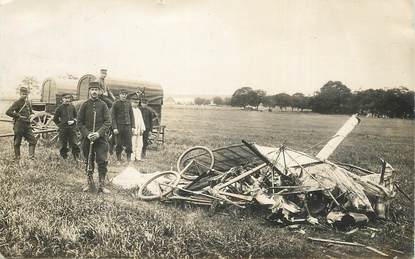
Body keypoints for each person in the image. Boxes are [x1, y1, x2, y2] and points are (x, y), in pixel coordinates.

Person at [77, 81, 112, 193]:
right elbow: (79, 122)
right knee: (88, 160)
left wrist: (98, 134)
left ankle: (102, 185)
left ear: (100, 91)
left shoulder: (103, 105)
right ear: (89, 91)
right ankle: (89, 183)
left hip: (100, 139)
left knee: (102, 160)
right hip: (87, 139)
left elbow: (108, 122)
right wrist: (87, 134)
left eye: (96, 90)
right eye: (92, 90)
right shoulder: (84, 105)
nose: (94, 92)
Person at [6, 86, 37, 161]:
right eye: (23, 94)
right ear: (20, 94)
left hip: (27, 125)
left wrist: (32, 114)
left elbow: (31, 112)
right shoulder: (17, 102)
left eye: (26, 94)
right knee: (17, 142)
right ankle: (17, 158)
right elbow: (8, 112)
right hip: (19, 125)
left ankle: (31, 158)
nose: (25, 95)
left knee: (33, 140)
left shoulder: (28, 102)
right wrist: (18, 116)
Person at [52, 93, 80, 160]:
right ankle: (64, 157)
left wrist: (73, 121)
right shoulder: (59, 108)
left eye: (68, 98)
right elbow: (55, 119)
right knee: (63, 145)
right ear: (62, 99)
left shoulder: (72, 107)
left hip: (72, 129)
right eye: (65, 98)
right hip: (63, 129)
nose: (67, 100)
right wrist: (60, 125)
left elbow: (76, 116)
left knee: (74, 143)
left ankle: (76, 157)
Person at [111, 89, 135, 163]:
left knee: (129, 143)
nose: (124, 95)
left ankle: (128, 160)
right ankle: (118, 159)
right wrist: (114, 127)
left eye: (125, 94)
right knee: (119, 143)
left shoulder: (129, 104)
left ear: (126, 95)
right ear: (119, 95)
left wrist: (133, 127)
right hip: (119, 127)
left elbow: (132, 116)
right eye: (122, 94)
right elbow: (113, 117)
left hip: (128, 126)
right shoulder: (115, 104)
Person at [130, 95, 146, 161]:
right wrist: (131, 129)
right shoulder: (130, 110)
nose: (135, 104)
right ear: (131, 102)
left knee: (140, 144)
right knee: (133, 144)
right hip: (133, 130)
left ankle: (138, 157)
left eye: (137, 102)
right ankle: (132, 158)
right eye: (134, 102)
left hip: (139, 130)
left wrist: (142, 128)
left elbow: (141, 120)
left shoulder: (138, 110)